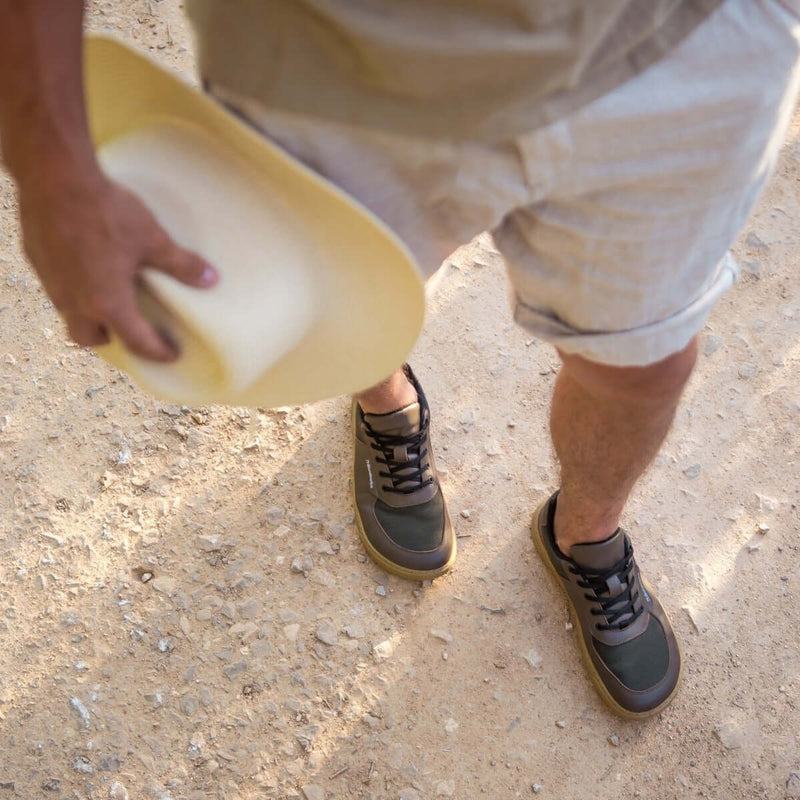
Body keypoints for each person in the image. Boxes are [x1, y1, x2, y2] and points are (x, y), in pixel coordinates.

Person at [1, 0, 798, 719]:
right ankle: (388, 403)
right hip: (339, 48)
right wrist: (51, 164)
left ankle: (584, 534)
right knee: (326, 289)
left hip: (684, 41)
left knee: (647, 363)